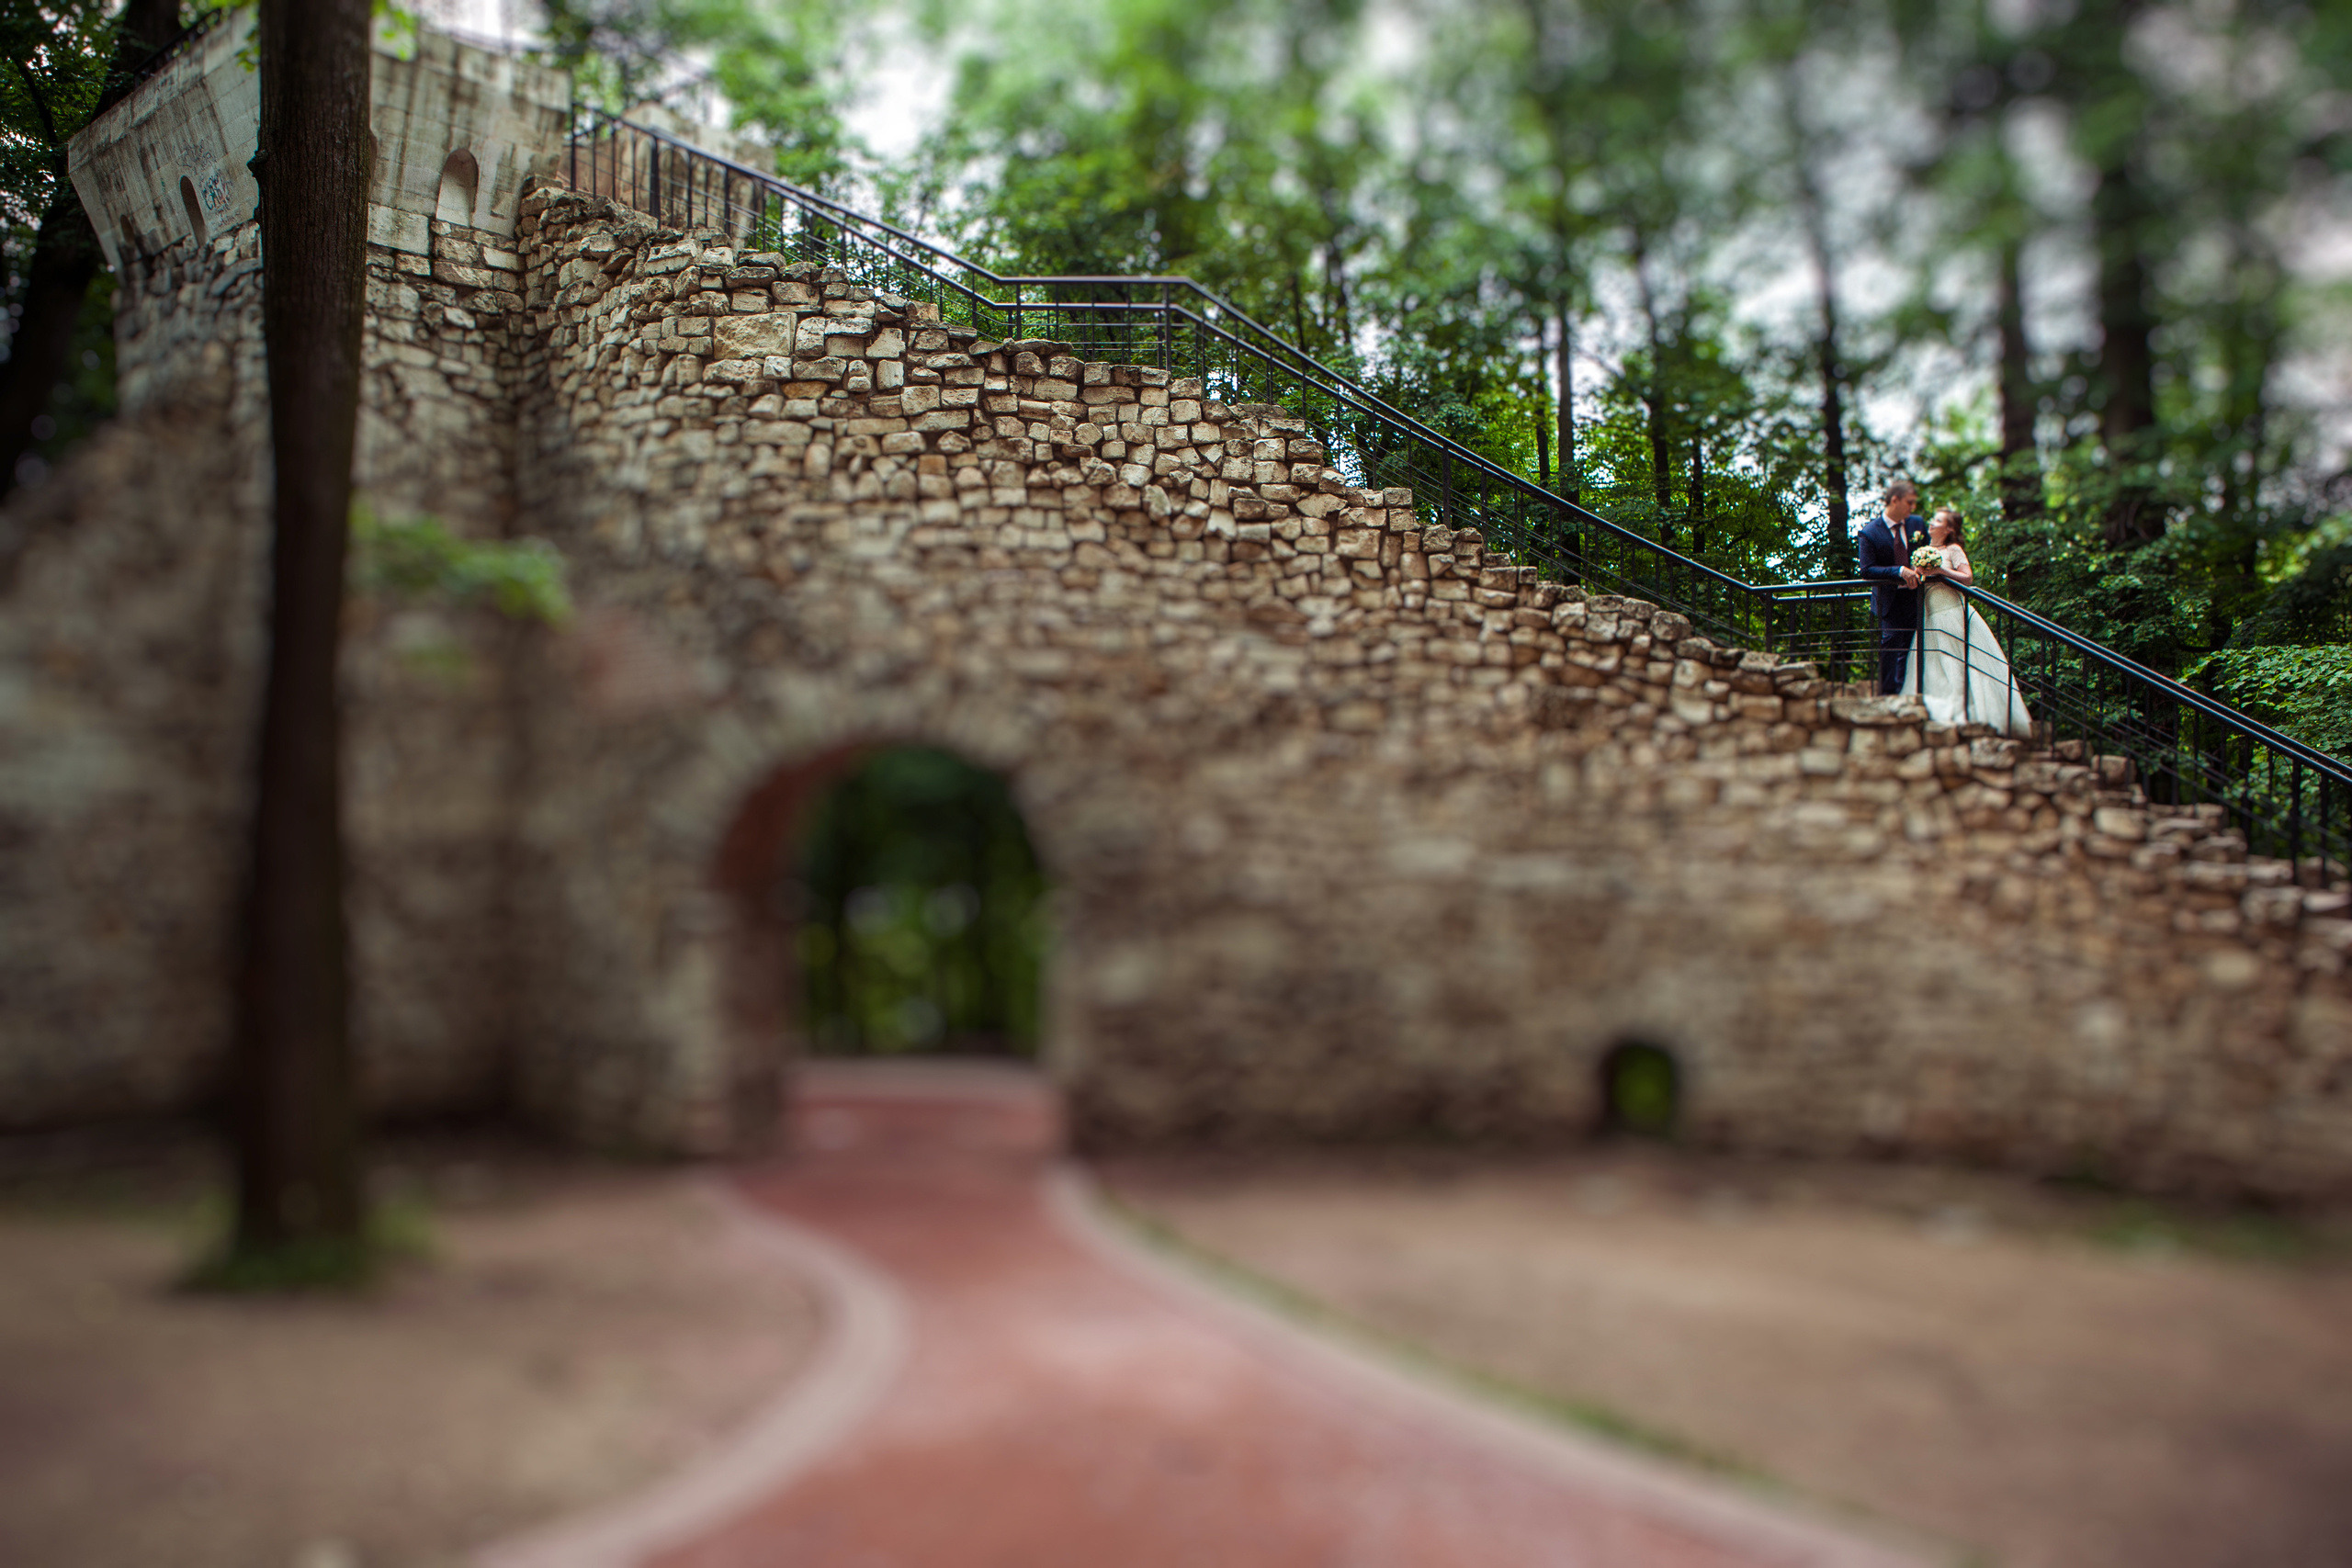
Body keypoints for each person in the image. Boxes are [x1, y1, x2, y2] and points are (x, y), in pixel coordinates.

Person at [1910, 507, 2035, 736]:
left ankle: (1964, 714)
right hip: (1929, 615)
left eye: (1938, 520)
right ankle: (1938, 713)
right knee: (1933, 666)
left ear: (1948, 529)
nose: (1931, 522)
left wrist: (1940, 570)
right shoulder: (1922, 551)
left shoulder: (1953, 549)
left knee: (1955, 663)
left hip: (1951, 612)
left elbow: (1967, 578)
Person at [1855, 479, 1929, 694]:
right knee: (1891, 644)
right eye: (1909, 502)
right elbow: (1866, 571)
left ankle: (1911, 692)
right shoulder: (1870, 532)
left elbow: (1927, 552)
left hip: (1917, 597)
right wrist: (1898, 571)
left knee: (1915, 644)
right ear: (1894, 500)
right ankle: (1888, 694)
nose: (1913, 507)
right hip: (1889, 599)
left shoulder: (1917, 524)